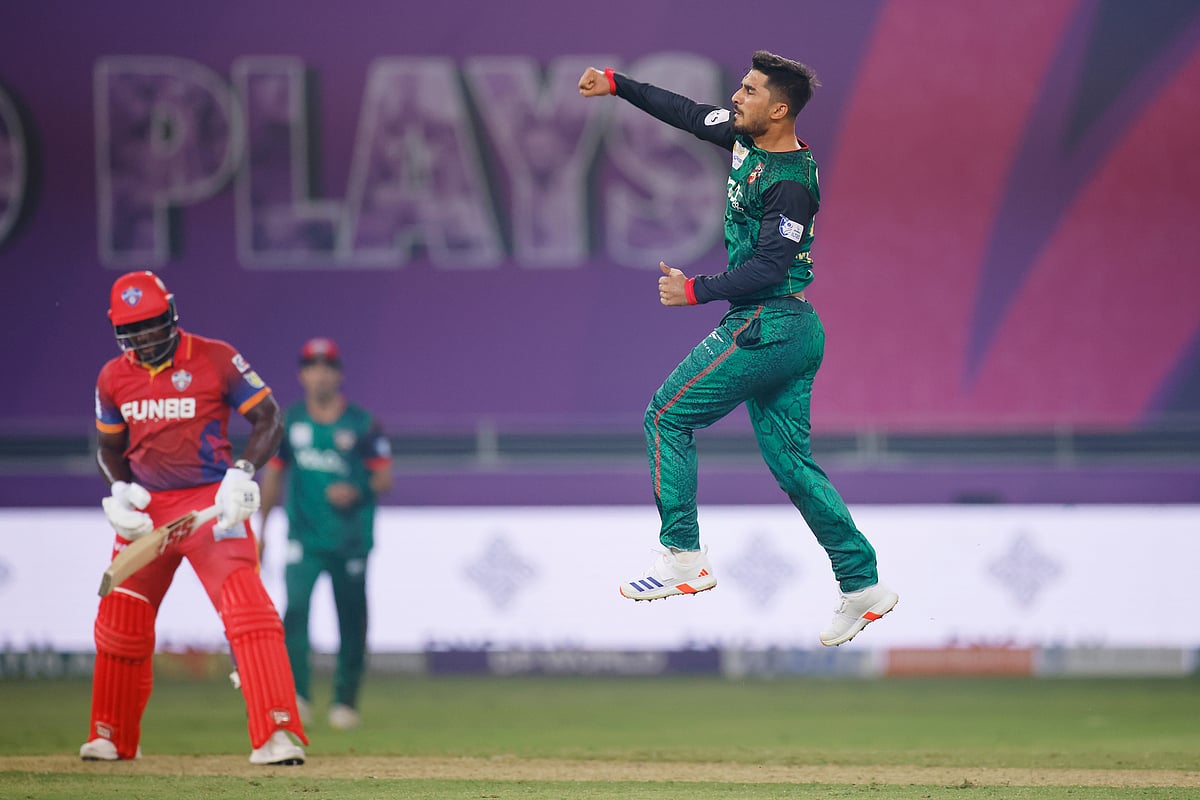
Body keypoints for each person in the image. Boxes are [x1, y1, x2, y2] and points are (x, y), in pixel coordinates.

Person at [579, 52, 898, 646]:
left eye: (748, 92)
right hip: (788, 330)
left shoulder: (790, 183)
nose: (735, 98)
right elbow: (685, 112)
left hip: (767, 324)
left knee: (666, 416)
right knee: (794, 469)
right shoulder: (743, 138)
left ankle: (683, 560)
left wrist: (694, 290)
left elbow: (771, 266)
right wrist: (618, 85)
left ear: (778, 110)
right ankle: (862, 584)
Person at [84, 270, 307, 764]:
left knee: (249, 612)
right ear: (119, 330)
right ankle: (112, 735)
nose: (144, 335)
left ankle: (275, 733)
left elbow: (269, 416)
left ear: (170, 314)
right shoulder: (112, 377)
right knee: (121, 615)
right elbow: (107, 446)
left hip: (211, 503)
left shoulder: (215, 357)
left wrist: (243, 473)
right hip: (150, 513)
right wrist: (120, 490)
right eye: (133, 328)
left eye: (152, 323)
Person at [259, 338, 392, 731]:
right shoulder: (291, 422)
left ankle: (345, 701)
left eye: (328, 367)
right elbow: (274, 477)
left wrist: (359, 491)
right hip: (303, 538)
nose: (320, 374)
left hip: (350, 539)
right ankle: (298, 696)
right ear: (302, 375)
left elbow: (384, 478)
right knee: (295, 612)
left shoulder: (362, 424)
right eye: (313, 367)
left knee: (352, 620)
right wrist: (261, 529)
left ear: (339, 375)